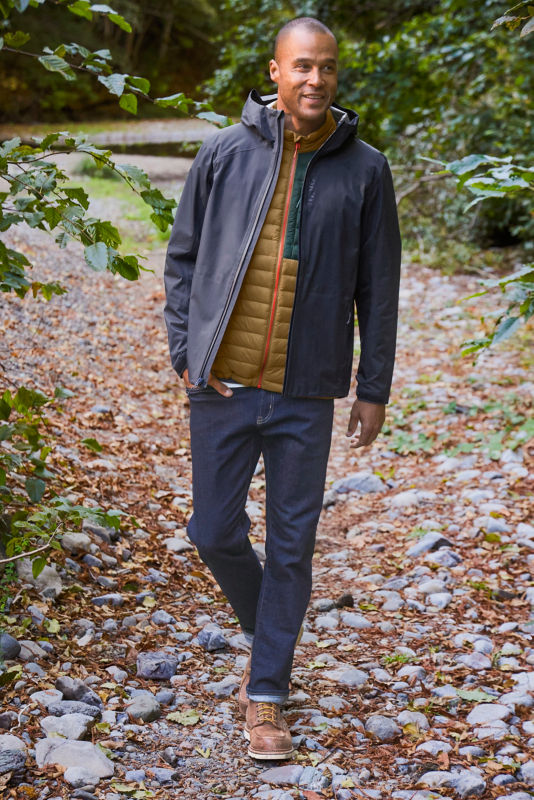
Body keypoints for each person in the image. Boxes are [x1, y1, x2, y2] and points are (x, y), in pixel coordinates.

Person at [163, 16, 401, 760]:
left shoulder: (366, 169)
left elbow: (379, 288)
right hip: (224, 385)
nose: (315, 80)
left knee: (293, 545)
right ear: (275, 71)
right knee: (213, 531)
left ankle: (266, 693)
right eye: (302, 67)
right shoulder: (224, 154)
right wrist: (184, 350)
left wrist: (374, 386)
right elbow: (182, 259)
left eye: (327, 68)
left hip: (307, 390)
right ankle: (273, 633)